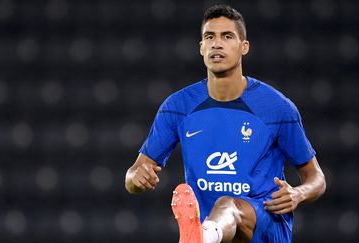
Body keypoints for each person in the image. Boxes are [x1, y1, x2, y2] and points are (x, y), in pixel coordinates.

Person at [125, 4, 326, 243]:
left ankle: (204, 235)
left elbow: (316, 177)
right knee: (223, 208)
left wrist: (297, 193)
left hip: (265, 225)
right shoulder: (178, 106)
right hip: (216, 231)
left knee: (228, 204)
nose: (216, 44)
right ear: (201, 48)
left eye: (227, 36)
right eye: (209, 37)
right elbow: (132, 177)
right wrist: (136, 179)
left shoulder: (276, 107)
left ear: (244, 47)